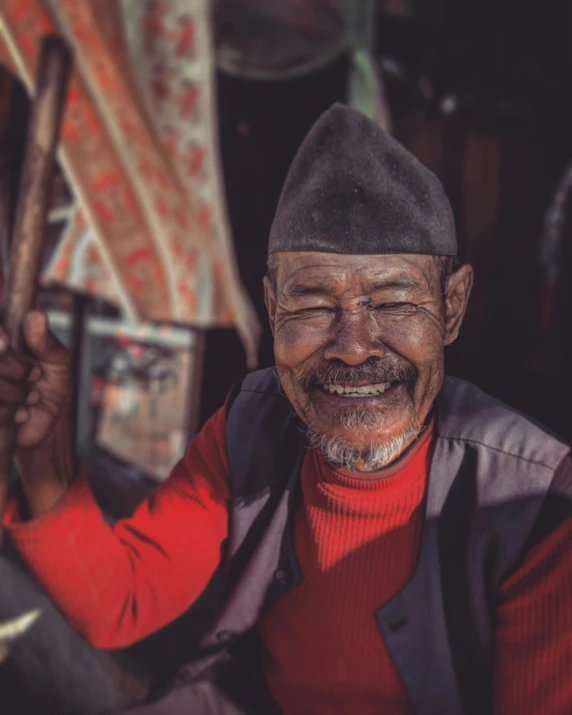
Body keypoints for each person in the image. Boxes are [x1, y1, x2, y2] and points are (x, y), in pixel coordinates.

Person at [0, 104, 571, 715]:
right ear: (271, 307)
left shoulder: (536, 506)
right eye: (313, 305)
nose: (353, 348)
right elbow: (117, 604)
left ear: (452, 308)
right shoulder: (250, 426)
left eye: (393, 301)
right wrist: (43, 454)